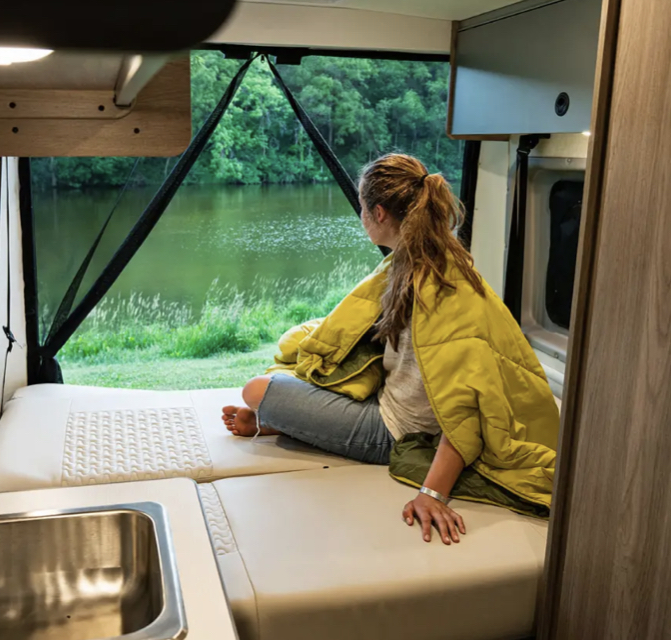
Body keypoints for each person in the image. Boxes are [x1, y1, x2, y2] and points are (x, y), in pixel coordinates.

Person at [222, 153, 559, 545]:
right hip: (387, 398)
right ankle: (281, 421)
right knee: (284, 375)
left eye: (363, 208)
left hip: (396, 431)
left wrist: (432, 493)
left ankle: (276, 421)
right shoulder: (420, 263)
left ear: (379, 213)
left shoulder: (438, 289)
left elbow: (465, 404)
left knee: (257, 390)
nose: (361, 216)